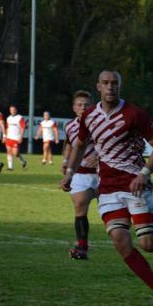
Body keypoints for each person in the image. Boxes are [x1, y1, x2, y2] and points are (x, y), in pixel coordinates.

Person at [60, 70, 153, 306]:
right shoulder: (89, 116)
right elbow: (79, 145)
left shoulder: (134, 114)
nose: (110, 87)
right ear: (98, 86)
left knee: (148, 244)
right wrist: (70, 172)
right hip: (108, 189)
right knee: (121, 241)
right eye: (105, 83)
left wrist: (144, 174)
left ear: (120, 86)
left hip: (135, 185)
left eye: (114, 83)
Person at [62, 90, 99, 260]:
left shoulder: (100, 124)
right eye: (79, 105)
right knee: (80, 204)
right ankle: (82, 247)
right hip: (81, 172)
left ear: (93, 107)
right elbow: (70, 145)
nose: (83, 107)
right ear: (74, 108)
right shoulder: (69, 126)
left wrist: (98, 156)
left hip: (104, 172)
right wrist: (65, 161)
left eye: (87, 105)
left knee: (114, 214)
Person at [4, 104, 28, 170]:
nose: (12, 111)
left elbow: (23, 127)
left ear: (16, 110)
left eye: (14, 110)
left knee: (15, 153)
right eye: (11, 110)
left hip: (16, 138)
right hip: (9, 137)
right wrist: (5, 136)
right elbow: (7, 128)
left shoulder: (20, 118)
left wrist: (21, 137)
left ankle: (23, 161)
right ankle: (10, 167)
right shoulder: (8, 118)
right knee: (9, 151)